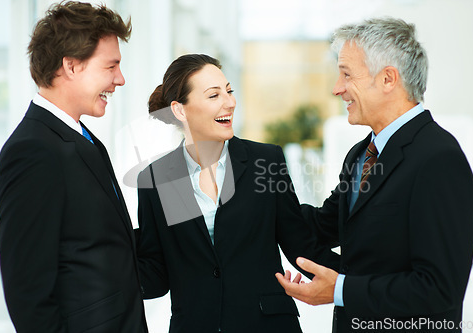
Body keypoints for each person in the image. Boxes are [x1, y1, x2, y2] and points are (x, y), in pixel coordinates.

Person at [275, 17, 473, 332]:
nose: (336, 88)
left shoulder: (439, 159)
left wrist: (340, 290)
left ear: (387, 79)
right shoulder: (361, 154)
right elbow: (320, 227)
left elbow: (440, 290)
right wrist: (248, 199)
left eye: (346, 74)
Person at [135, 54, 337, 333]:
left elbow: (300, 243)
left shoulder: (265, 162)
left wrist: (360, 282)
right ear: (180, 110)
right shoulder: (159, 179)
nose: (229, 102)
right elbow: (156, 274)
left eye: (229, 91)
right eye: (214, 95)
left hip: (267, 325)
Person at [0, 2, 148, 332]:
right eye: (111, 66)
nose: (120, 79)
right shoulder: (32, 152)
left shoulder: (81, 138)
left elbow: (99, 247)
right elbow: (28, 296)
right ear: (72, 66)